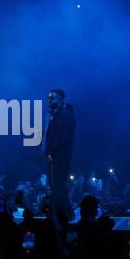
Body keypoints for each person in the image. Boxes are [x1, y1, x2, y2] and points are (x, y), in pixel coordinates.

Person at [43, 89, 76, 219]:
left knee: (59, 185)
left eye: (53, 98)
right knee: (54, 185)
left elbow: (64, 137)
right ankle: (60, 213)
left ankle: (65, 214)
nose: (49, 100)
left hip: (60, 155)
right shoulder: (54, 115)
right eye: (48, 98)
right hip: (54, 156)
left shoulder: (66, 115)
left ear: (61, 99)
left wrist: (51, 151)